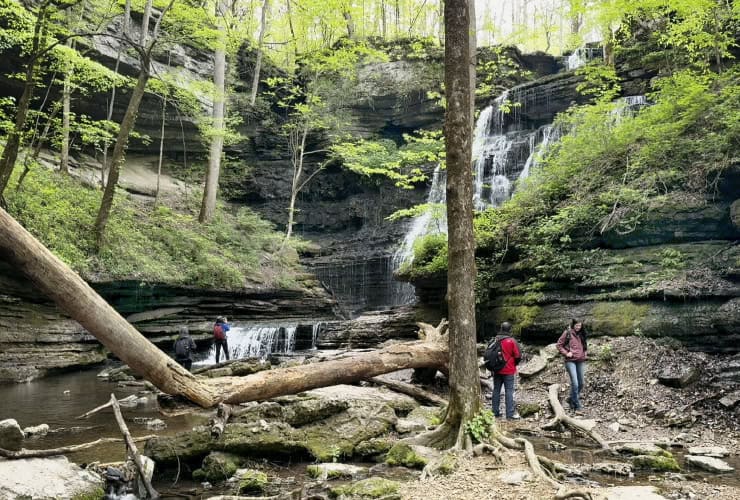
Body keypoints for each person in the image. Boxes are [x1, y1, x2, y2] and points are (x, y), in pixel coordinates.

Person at [491, 321, 522, 420]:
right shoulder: (512, 341)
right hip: (508, 370)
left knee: (496, 390)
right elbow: (518, 356)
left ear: (501, 328)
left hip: (496, 370)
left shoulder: (495, 339)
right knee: (509, 391)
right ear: (510, 329)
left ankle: (495, 412)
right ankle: (510, 414)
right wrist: (514, 363)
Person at [556, 319, 588, 412]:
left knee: (581, 383)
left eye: (580, 325)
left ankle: (571, 399)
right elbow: (559, 345)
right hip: (570, 361)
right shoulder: (568, 333)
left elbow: (585, 345)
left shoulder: (582, 333)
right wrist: (566, 353)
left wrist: (585, 353)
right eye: (577, 325)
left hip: (580, 360)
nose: (578, 327)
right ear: (573, 325)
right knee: (575, 383)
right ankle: (577, 405)